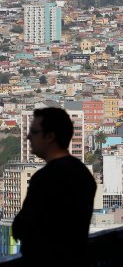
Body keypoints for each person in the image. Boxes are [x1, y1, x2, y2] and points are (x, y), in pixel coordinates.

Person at [12, 107, 97, 267]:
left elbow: (22, 227)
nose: (28, 137)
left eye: (34, 132)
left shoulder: (46, 177)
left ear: (50, 136)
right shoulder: (83, 173)